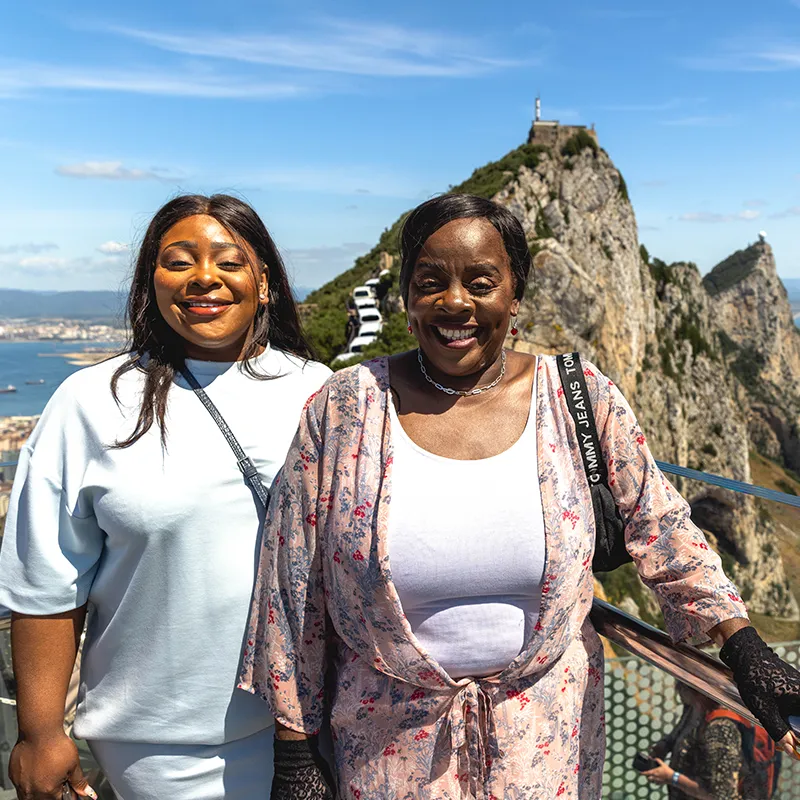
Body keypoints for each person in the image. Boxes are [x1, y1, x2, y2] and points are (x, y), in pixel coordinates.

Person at [239, 193, 800, 798]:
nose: (456, 301)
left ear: (515, 295)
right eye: (431, 282)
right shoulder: (346, 407)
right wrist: (295, 752)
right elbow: (290, 585)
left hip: (545, 744)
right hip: (387, 749)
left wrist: (740, 644)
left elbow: (660, 526)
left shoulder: (580, 397)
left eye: (480, 282)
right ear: (406, 299)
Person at [0, 194, 331, 799]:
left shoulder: (320, 391)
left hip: (314, 726)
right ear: (151, 282)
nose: (204, 277)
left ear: (266, 286)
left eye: (229, 262)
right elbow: (44, 581)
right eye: (179, 261)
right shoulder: (92, 402)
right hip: (159, 744)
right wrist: (40, 732)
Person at [644, 682, 780, 800]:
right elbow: (681, 729)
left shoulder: (721, 727)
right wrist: (665, 746)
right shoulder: (697, 709)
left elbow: (722, 794)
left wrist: (672, 777)